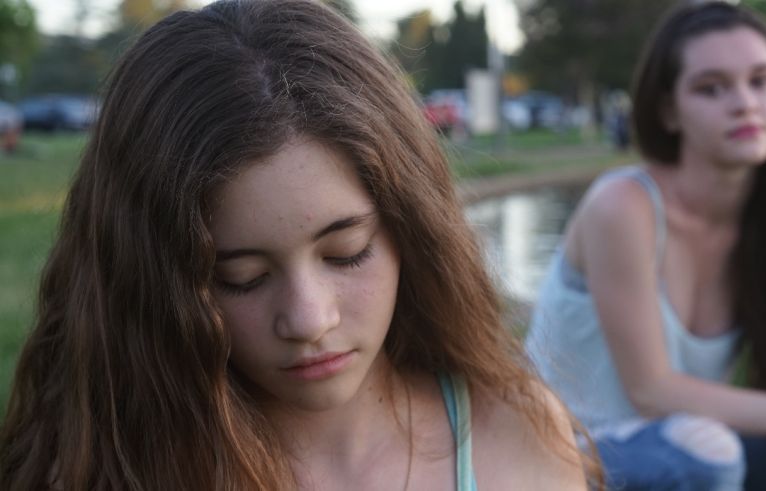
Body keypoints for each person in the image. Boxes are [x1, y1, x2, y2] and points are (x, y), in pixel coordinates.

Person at [0, 1, 590, 489]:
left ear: (414, 231)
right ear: (151, 283)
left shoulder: (519, 435)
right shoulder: (104, 471)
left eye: (347, 252)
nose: (309, 320)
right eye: (241, 276)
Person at [525, 2, 766, 490]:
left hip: (685, 448)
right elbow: (652, 391)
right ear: (668, 111)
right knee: (706, 458)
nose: (744, 103)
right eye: (711, 88)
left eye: (761, 80)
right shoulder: (623, 206)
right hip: (563, 456)